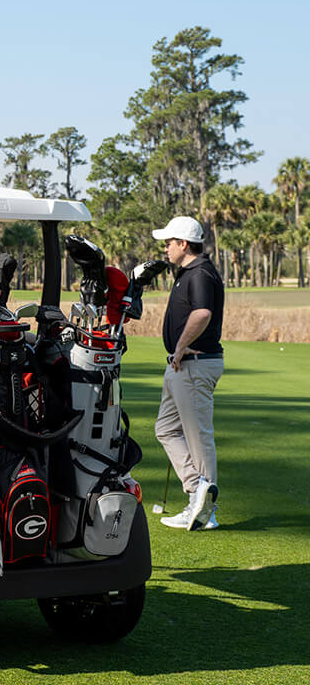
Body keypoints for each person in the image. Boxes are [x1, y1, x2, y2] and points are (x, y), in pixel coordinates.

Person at [152, 216, 224, 531]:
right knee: (166, 429)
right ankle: (197, 491)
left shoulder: (200, 273)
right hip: (182, 365)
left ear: (183, 244)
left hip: (193, 364)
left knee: (197, 437)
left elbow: (202, 313)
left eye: (169, 242)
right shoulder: (189, 273)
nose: (166, 248)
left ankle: (206, 512)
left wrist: (180, 347)